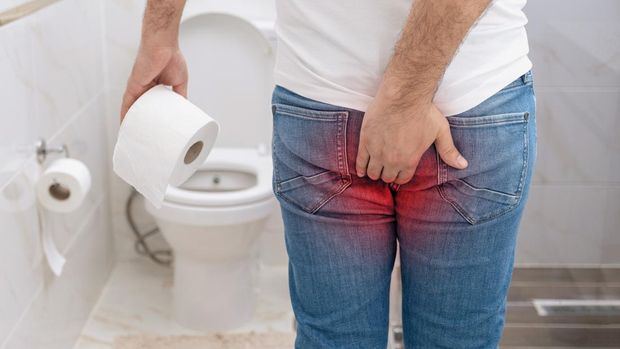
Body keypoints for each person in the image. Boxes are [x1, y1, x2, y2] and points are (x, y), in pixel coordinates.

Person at [121, 0, 537, 347]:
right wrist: (159, 35)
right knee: (455, 339)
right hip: (469, 101)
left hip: (331, 94)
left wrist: (404, 100)